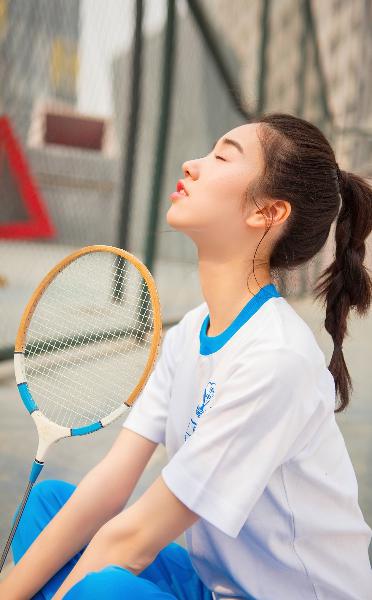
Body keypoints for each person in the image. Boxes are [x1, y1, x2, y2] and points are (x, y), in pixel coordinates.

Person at [1, 113, 372, 599]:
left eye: (221, 156)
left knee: (105, 588)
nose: (191, 165)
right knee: (50, 507)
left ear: (267, 212)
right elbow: (111, 485)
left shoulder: (275, 359)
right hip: (215, 587)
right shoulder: (190, 332)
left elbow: (131, 542)